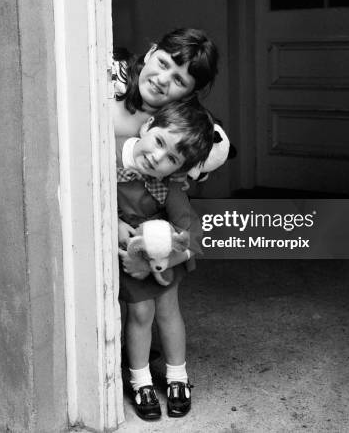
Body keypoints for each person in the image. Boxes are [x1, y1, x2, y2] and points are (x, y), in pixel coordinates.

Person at [116, 99, 214, 420]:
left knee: (169, 312)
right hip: (132, 258)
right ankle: (141, 381)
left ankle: (177, 376)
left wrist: (165, 261)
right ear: (147, 127)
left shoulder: (169, 187)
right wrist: (114, 226)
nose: (157, 157)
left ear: (180, 170)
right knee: (140, 314)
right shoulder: (109, 156)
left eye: (171, 158)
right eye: (159, 141)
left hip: (164, 258)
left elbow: (195, 236)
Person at [113, 28, 219, 138]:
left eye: (179, 80)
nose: (162, 80)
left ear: (189, 95)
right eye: (163, 63)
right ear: (150, 53)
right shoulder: (111, 71)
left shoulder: (172, 132)